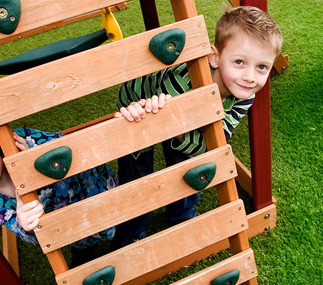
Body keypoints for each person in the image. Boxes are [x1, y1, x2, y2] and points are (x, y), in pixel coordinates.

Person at [113, 5, 283, 247]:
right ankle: (131, 235)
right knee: (137, 175)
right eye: (239, 62)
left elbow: (210, 143)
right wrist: (178, 127)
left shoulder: (246, 94)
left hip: (180, 123)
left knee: (189, 164)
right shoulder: (181, 82)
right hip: (140, 110)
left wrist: (184, 133)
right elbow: (162, 125)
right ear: (215, 57)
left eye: (262, 67)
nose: (250, 77)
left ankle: (181, 222)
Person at [0, 107, 119, 267]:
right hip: (71, 230)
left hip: (102, 198)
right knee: (83, 247)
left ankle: (125, 235)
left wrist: (39, 161)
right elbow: (28, 232)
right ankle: (86, 248)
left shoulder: (24, 141)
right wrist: (27, 227)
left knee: (123, 234)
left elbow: (73, 152)